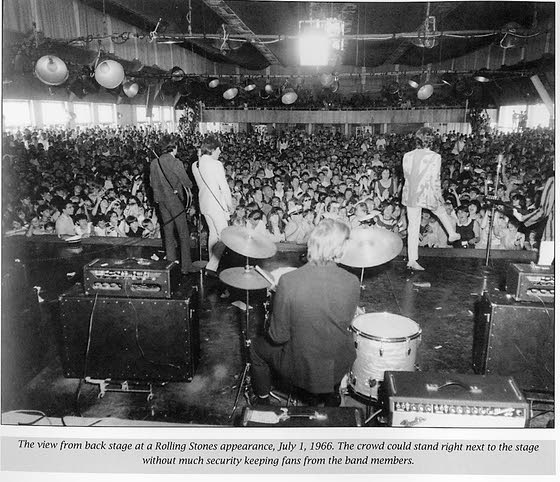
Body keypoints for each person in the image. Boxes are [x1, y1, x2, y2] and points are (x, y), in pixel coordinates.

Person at [250, 218, 360, 405]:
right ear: (339, 249)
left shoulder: (289, 280)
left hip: (301, 364)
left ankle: (262, 400)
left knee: (255, 348)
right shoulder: (352, 281)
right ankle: (332, 393)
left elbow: (278, 336)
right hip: (337, 363)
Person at [401, 127, 460, 270]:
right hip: (425, 192)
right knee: (439, 210)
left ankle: (412, 260)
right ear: (431, 140)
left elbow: (406, 175)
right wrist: (439, 195)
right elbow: (435, 179)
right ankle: (451, 234)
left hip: (410, 194)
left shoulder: (407, 155)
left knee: (413, 227)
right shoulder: (435, 157)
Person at [149, 142, 195, 274]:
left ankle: (170, 264)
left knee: (168, 232)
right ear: (174, 149)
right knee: (183, 233)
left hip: (161, 201)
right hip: (175, 201)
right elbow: (187, 182)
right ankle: (186, 267)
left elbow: (152, 183)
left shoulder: (154, 162)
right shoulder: (176, 162)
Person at [192, 135, 233, 276]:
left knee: (213, 234)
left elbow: (200, 185)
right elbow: (224, 187)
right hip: (216, 205)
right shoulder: (216, 164)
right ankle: (212, 266)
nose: (220, 153)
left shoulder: (195, 164)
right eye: (219, 150)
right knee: (225, 236)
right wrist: (230, 204)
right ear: (213, 149)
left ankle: (212, 265)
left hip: (204, 204)